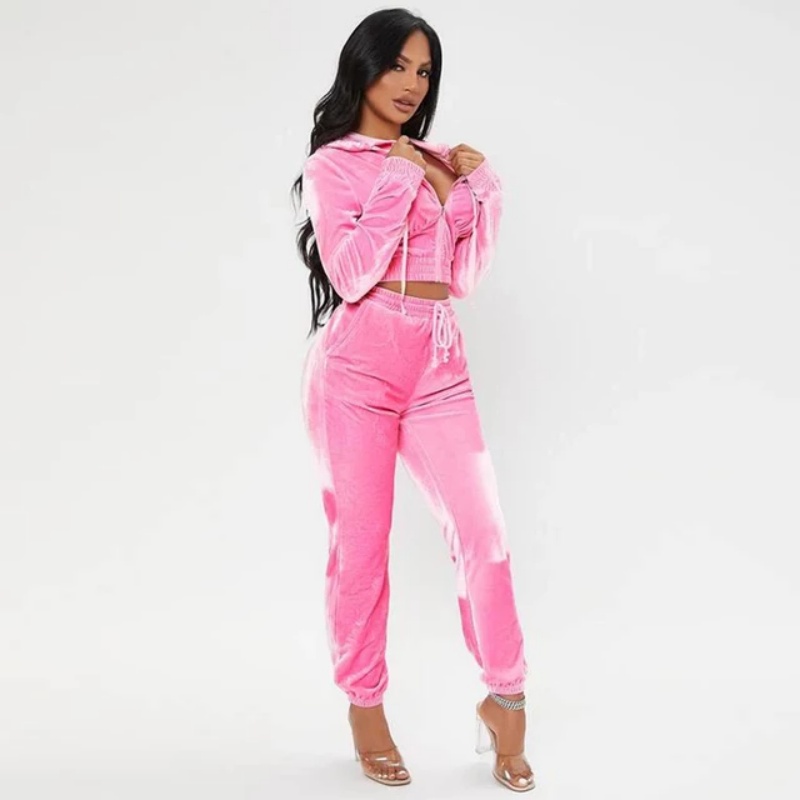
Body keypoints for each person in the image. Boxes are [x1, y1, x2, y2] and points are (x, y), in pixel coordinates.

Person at [291, 8, 534, 793]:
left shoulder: (432, 158)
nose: (411, 84)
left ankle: (506, 700)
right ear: (363, 66)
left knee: (483, 534)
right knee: (362, 547)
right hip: (357, 371)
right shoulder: (333, 166)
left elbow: (461, 277)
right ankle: (365, 707)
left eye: (423, 71)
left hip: (438, 364)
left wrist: (477, 188)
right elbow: (351, 271)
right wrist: (403, 175)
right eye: (397, 65)